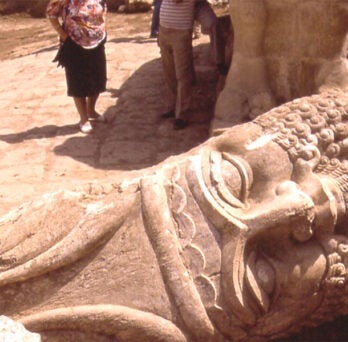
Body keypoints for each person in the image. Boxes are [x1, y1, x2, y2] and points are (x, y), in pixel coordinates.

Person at [46, 0, 108, 134]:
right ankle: (83, 118)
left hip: (97, 41)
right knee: (77, 81)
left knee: (98, 79)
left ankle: (91, 110)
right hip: (73, 43)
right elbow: (51, 14)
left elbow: (103, 8)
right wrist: (63, 35)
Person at [158, 0, 195, 130]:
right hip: (164, 29)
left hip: (181, 31)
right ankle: (174, 106)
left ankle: (182, 114)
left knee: (182, 74)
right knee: (170, 72)